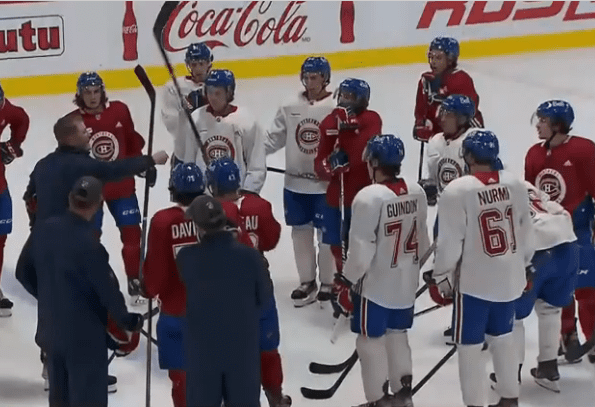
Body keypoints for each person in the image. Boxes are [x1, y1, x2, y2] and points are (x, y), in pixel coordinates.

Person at [15, 176, 144, 407]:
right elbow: (108, 294)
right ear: (98, 203)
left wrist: (48, 295)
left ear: (70, 198)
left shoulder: (43, 230)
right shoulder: (91, 246)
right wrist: (128, 321)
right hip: (85, 339)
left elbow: (22, 272)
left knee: (60, 400)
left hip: (52, 333)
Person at [429, 130, 533, 407]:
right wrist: (524, 266)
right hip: (509, 279)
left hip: (475, 283)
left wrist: (441, 275)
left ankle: (475, 404)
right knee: (503, 338)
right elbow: (526, 230)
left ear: (468, 157)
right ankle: (509, 397)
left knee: (469, 348)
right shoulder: (515, 184)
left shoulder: (458, 190)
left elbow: (450, 242)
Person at [334, 134, 430, 407]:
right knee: (398, 335)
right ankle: (402, 394)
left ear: (374, 163)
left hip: (375, 287)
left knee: (369, 340)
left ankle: (378, 400)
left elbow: (361, 250)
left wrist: (347, 280)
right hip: (405, 283)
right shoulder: (416, 191)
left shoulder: (368, 197)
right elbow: (423, 242)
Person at [206, 157, 291, 407]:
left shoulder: (209, 212)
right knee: (267, 347)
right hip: (259, 283)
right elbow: (271, 239)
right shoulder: (259, 205)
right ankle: (275, 396)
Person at [177, 195, 273, 407]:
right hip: (242, 348)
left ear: (198, 226)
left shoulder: (187, 257)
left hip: (203, 350)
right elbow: (264, 298)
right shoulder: (251, 257)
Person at [70, 71, 152, 305]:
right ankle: (91, 284)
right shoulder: (73, 122)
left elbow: (132, 142)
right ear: (80, 94)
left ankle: (135, 281)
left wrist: (142, 164)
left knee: (132, 234)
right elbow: (69, 160)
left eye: (96, 91)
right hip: (91, 192)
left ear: (102, 92)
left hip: (122, 186)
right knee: (90, 239)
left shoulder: (120, 110)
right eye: (87, 92)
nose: (92, 96)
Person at [490, 181, 579, 394]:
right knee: (551, 310)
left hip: (533, 249)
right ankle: (548, 369)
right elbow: (555, 207)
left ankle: (510, 374)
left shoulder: (484, 192)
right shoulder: (523, 184)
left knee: (514, 316)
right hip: (567, 243)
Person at [525, 100, 595, 364]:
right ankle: (567, 336)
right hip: (550, 235)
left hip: (579, 231)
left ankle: (592, 337)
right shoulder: (534, 154)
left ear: (558, 125)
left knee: (587, 289)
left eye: (543, 121)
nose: (538, 125)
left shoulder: (583, 150)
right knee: (559, 289)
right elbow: (530, 196)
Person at [265, 56, 337, 307]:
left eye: (314, 77)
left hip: (325, 186)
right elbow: (274, 138)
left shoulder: (336, 106)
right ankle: (306, 281)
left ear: (325, 78)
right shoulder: (289, 105)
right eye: (306, 77)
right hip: (295, 184)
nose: (309, 82)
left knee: (326, 235)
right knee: (300, 234)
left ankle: (328, 282)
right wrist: (249, 154)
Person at [23, 112, 168, 227]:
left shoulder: (42, 164)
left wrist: (35, 226)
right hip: (70, 237)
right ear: (71, 139)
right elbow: (115, 170)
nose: (89, 134)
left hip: (42, 237)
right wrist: (151, 160)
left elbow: (30, 198)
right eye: (84, 132)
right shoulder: (81, 165)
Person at [142, 163, 206, 407]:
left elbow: (155, 276)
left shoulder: (163, 222)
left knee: (182, 379)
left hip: (175, 312)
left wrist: (147, 288)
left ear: (173, 191)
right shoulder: (218, 214)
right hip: (215, 313)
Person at [314, 78, 382, 280]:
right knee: (337, 244)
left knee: (363, 243)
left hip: (363, 195)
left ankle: (364, 281)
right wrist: (330, 166)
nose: (344, 101)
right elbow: (319, 164)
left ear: (362, 100)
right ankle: (343, 279)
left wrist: (348, 129)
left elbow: (365, 152)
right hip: (337, 197)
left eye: (350, 97)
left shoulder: (372, 119)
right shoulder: (330, 122)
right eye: (342, 96)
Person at [182, 69, 267, 194]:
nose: (212, 98)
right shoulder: (196, 118)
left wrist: (247, 193)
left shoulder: (246, 121)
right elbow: (189, 161)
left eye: (218, 93)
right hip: (204, 197)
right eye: (210, 92)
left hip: (234, 195)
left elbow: (256, 165)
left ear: (229, 93)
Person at [413, 36, 484, 142]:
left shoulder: (461, 80)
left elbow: (468, 114)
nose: (433, 62)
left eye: (438, 58)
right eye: (431, 57)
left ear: (450, 60)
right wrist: (420, 126)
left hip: (463, 137)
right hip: (441, 139)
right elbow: (420, 112)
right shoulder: (426, 82)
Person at [0, 82, 29, 316]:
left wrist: (13, 146)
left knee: (0, 239)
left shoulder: (5, 108)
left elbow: (21, 118)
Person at [161, 42, 213, 168]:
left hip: (211, 149)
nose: (198, 69)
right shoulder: (174, 88)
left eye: (201, 63)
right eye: (194, 64)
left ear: (209, 63)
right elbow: (170, 123)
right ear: (188, 65)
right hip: (183, 152)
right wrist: (187, 111)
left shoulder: (218, 86)